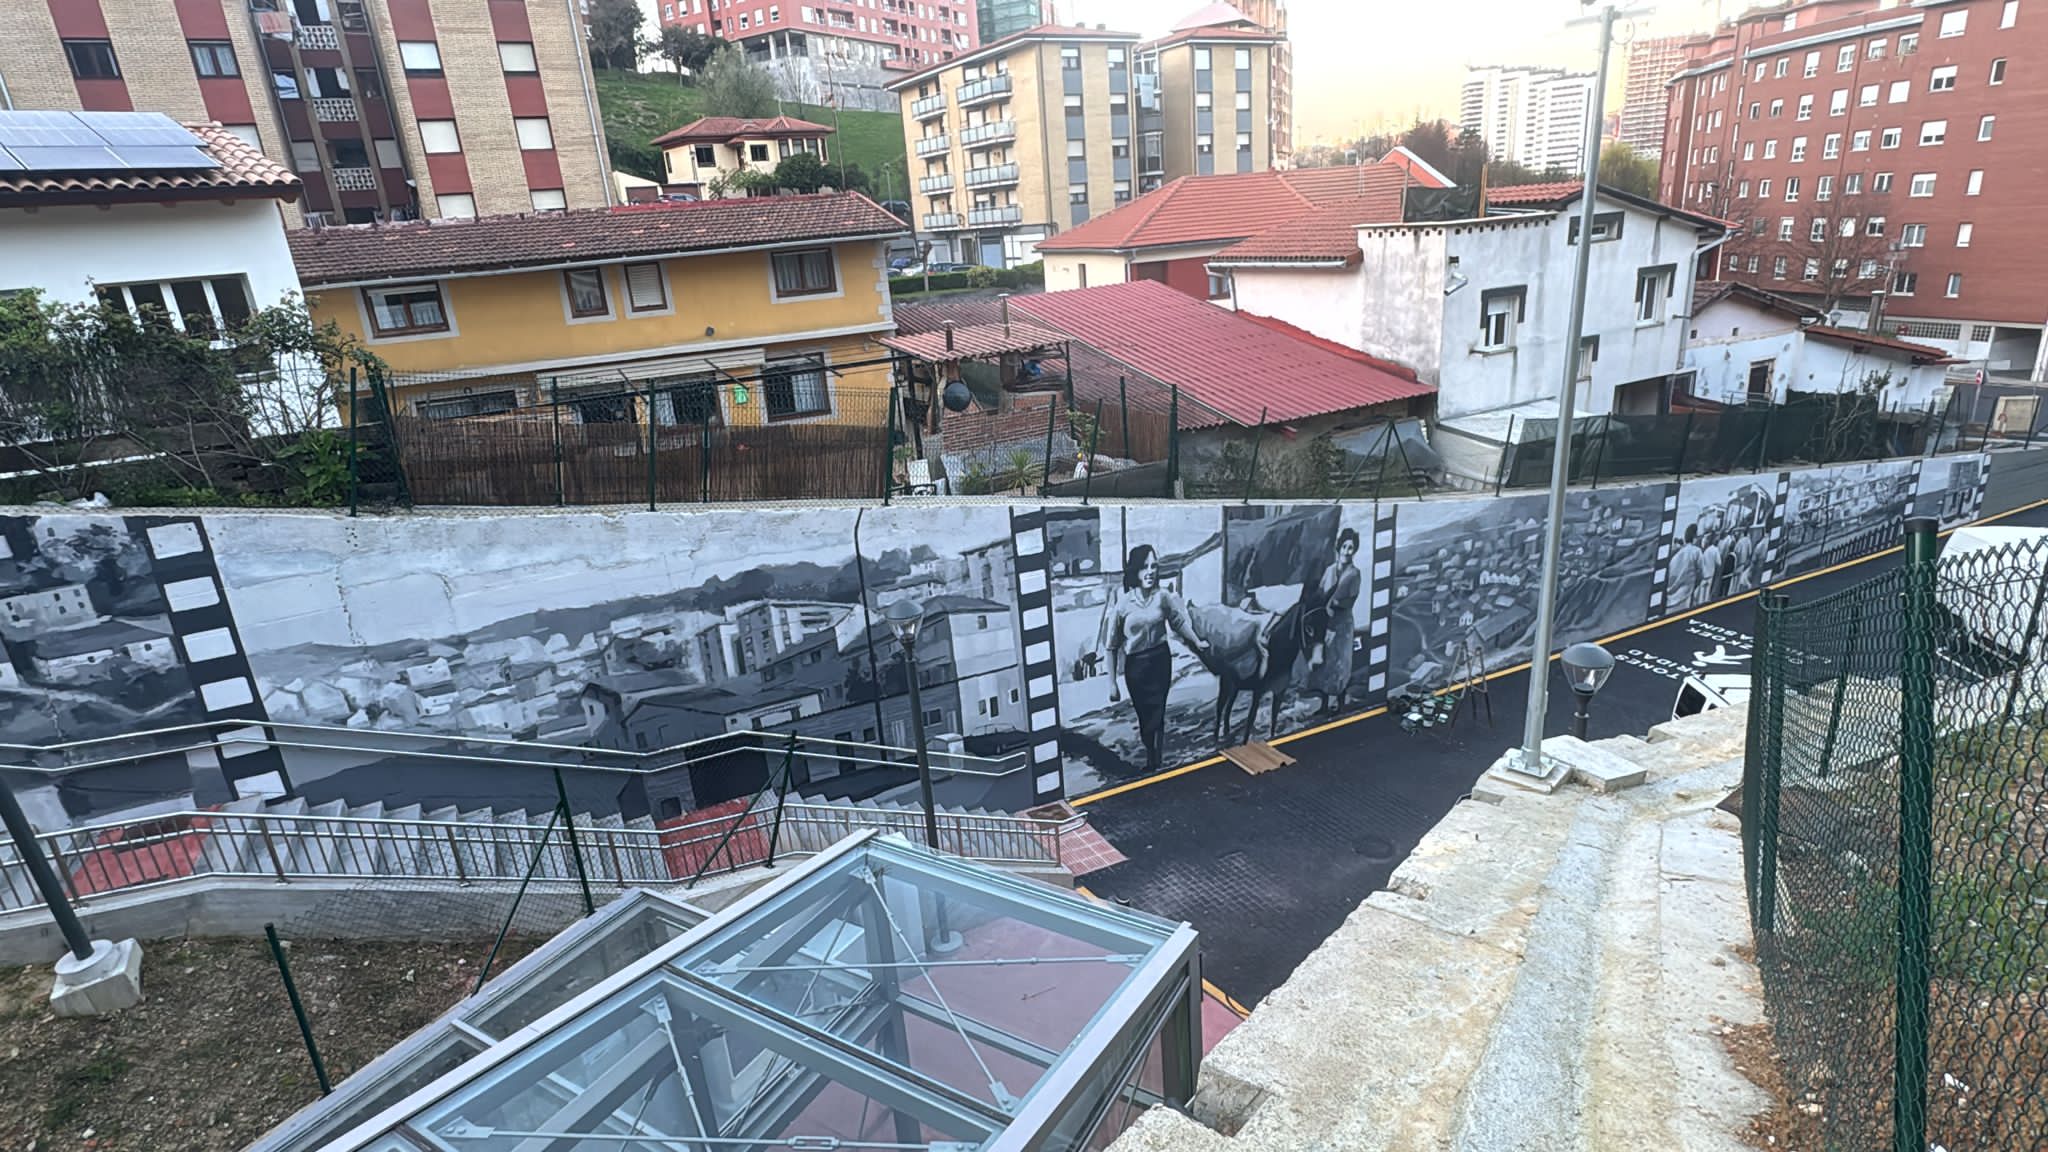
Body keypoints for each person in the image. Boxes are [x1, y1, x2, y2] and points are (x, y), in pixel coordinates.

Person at [1108, 544, 1211, 772]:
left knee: (1158, 711)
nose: (1150, 572)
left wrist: (1197, 641)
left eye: (1153, 566)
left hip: (1159, 660)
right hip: (1136, 667)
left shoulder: (1163, 597)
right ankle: (1150, 751)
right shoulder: (1123, 604)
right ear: (1135, 570)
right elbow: (1111, 646)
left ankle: (1157, 760)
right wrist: (1112, 683)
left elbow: (1179, 622)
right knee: (1144, 715)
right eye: (1144, 567)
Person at [1304, 528, 1364, 715]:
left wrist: (1334, 604)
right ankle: (1323, 705)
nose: (1347, 551)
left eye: (1350, 548)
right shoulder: (1330, 570)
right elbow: (1321, 592)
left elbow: (1350, 600)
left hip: (1342, 625)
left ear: (1354, 550)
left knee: (1340, 663)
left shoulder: (1354, 574)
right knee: (1325, 664)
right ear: (1339, 548)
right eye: (1344, 547)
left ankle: (1340, 704)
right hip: (1326, 624)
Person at [1667, 524, 1705, 612]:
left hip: (1670, 601)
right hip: (1685, 598)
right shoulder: (1696, 551)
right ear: (1695, 536)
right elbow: (1701, 574)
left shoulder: (1676, 555)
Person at [1697, 531, 1724, 607]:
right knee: (1706, 597)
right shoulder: (1715, 550)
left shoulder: (1706, 551)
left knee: (1700, 599)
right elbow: (1719, 563)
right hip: (1710, 576)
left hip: (1703, 576)